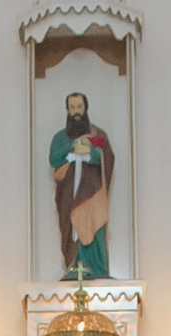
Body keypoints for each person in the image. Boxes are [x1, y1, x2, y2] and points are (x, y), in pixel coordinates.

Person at [50, 91, 114, 279]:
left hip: (92, 194)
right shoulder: (60, 138)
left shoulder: (98, 134)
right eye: (72, 107)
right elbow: (54, 158)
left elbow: (107, 157)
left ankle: (97, 268)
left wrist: (89, 151)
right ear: (68, 110)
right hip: (69, 195)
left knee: (94, 226)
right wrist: (72, 145)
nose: (76, 111)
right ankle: (73, 266)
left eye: (79, 106)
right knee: (71, 228)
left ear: (85, 108)